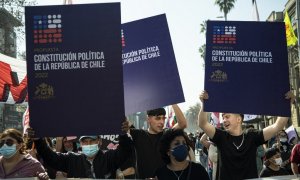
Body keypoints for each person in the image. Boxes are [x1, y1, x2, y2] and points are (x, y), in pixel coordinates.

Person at [198, 90, 294, 180]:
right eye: (223, 118)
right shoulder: (221, 136)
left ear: (239, 119)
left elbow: (278, 126)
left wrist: (287, 103)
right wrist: (204, 104)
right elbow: (203, 124)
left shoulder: (252, 136)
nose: (224, 120)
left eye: (227, 116)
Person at [27, 128, 133, 179]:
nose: (88, 144)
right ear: (80, 144)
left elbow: (126, 150)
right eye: (85, 142)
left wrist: (123, 133)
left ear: (99, 142)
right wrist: (38, 140)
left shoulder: (109, 157)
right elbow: (50, 157)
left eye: (92, 141)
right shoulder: (72, 159)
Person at [123, 104, 187, 179]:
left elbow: (183, 124)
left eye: (163, 118)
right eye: (158, 118)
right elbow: (123, 122)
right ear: (148, 119)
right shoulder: (138, 134)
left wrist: (173, 102)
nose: (162, 122)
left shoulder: (166, 135)